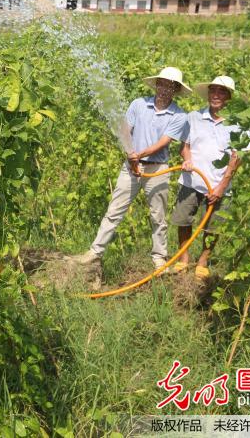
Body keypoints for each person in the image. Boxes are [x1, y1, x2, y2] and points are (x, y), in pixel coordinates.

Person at [70, 67, 191, 289]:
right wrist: (131, 157)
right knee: (115, 210)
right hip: (130, 167)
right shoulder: (138, 104)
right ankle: (95, 251)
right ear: (157, 85)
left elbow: (164, 142)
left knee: (158, 216)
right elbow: (126, 130)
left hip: (157, 169)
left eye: (170, 85)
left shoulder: (180, 115)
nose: (165, 88)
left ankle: (159, 259)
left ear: (175, 90)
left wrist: (140, 155)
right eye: (162, 83)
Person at [171, 76, 247, 284]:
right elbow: (184, 146)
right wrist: (187, 159)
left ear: (229, 97)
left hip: (218, 185)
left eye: (221, 92)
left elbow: (237, 156)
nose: (216, 95)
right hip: (191, 181)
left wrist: (221, 187)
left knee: (213, 227)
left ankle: (202, 263)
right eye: (213, 91)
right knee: (183, 219)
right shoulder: (193, 117)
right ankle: (183, 259)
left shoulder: (238, 123)